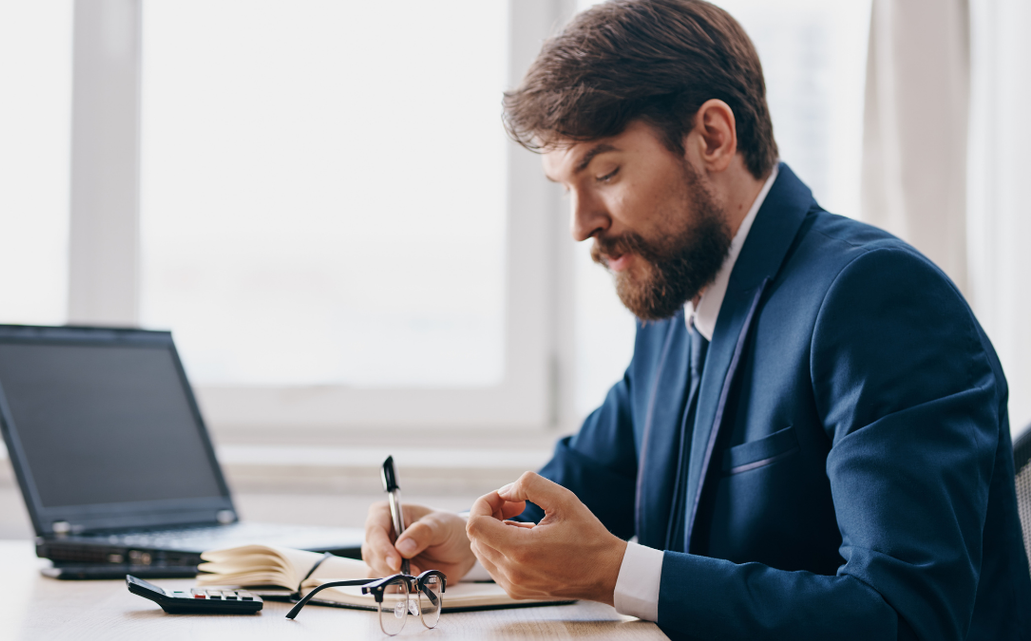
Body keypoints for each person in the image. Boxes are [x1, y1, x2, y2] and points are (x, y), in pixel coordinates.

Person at [361, 1, 1031, 639]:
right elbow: (580, 492)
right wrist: (473, 543)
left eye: (606, 171)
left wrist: (614, 570)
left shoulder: (875, 298)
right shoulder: (673, 299)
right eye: (567, 188)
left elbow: (902, 619)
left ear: (712, 136)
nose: (581, 223)